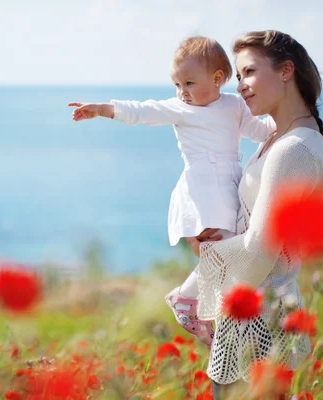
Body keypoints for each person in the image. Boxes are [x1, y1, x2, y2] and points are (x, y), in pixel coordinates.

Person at [68, 36, 275, 347]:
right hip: (203, 189)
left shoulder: (233, 105)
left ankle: (193, 301)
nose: (182, 92)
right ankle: (191, 301)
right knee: (224, 250)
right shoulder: (180, 108)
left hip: (228, 185)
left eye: (189, 83)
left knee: (227, 253)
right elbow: (143, 111)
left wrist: (290, 114)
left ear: (218, 79)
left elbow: (260, 132)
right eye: (177, 84)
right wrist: (101, 109)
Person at [182, 30, 323, 399]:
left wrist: (205, 251)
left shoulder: (293, 150)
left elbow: (258, 253)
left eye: (249, 72)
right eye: (238, 76)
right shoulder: (282, 139)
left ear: (286, 71)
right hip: (254, 320)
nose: (240, 86)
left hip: (261, 326)